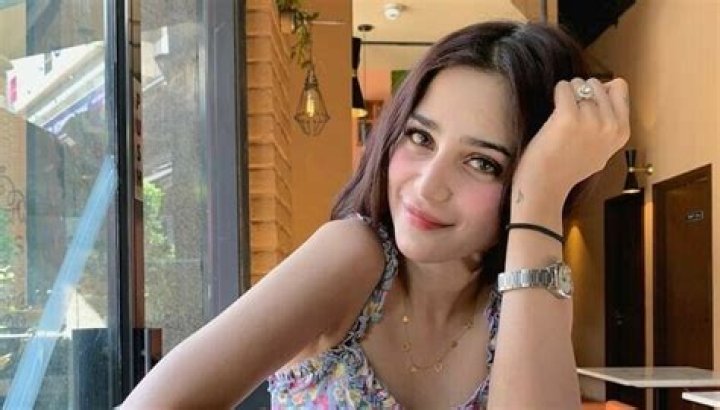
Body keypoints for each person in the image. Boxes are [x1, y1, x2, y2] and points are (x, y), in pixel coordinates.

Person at [122, 20, 629, 409]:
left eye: (482, 163)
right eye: (420, 137)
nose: (427, 186)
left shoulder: (521, 306)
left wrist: (539, 198)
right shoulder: (354, 256)